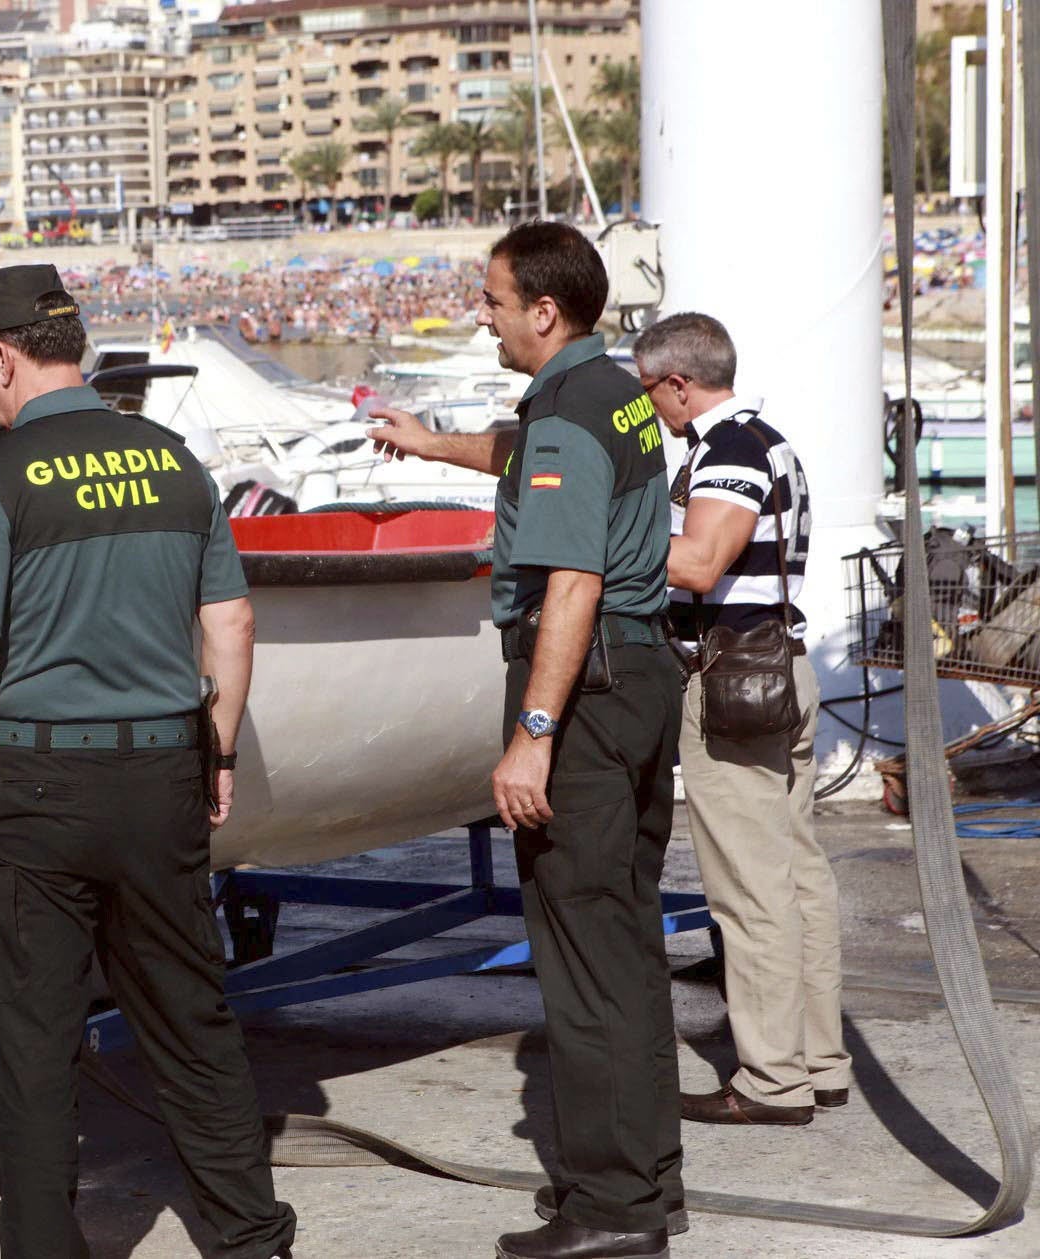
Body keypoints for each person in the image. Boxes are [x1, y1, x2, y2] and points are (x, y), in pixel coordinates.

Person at [0, 263, 295, 1259]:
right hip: (161, 771)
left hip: (35, 787)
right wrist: (215, 744)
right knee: (188, 1016)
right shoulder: (174, 462)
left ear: (1, 355)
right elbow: (232, 618)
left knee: (26, 1042)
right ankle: (250, 1237)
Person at [368, 222, 685, 1259]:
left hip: (581, 690)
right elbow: (518, 457)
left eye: (493, 300)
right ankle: (643, 1178)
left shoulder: (563, 411)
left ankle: (610, 1208)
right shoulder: (616, 393)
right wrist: (428, 445)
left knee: (581, 954)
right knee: (623, 941)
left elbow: (570, 581)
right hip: (638, 676)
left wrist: (532, 733)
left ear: (542, 312)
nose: (483, 314)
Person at [634, 311, 850, 1126]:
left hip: (731, 679)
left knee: (748, 894)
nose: (650, 406)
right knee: (798, 877)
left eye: (650, 390)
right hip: (781, 670)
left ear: (679, 385)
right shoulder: (774, 441)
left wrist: (610, 534)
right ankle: (819, 1060)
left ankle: (770, 1081)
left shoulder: (724, 452)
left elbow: (696, 561)